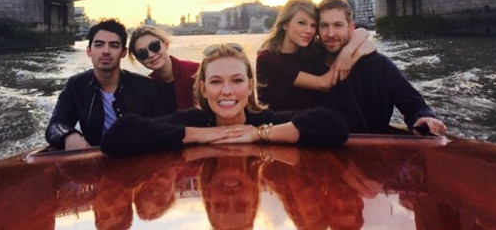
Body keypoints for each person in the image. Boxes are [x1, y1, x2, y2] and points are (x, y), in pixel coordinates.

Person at [100, 43, 349, 156]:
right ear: (203, 88)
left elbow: (333, 125)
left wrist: (258, 134)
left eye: (237, 81)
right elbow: (116, 137)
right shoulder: (190, 120)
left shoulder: (264, 120)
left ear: (250, 87)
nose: (226, 91)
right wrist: (199, 135)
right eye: (216, 82)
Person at [317, 0, 447, 135]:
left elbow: (412, 103)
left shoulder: (378, 65)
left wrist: (423, 117)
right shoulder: (310, 65)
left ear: (351, 28)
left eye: (338, 25)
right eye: (324, 26)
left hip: (372, 145)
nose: (330, 34)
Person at [45, 18, 171, 150]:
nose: (106, 51)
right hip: (94, 158)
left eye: (114, 45)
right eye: (99, 45)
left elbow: (165, 129)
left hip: (138, 157)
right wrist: (69, 136)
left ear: (123, 53)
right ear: (89, 51)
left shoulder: (147, 87)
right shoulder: (76, 86)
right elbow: (54, 126)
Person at [256, 0, 374, 111]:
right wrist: (350, 58)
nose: (309, 30)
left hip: (310, 122)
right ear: (286, 24)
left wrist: (347, 52)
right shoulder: (267, 59)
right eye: (301, 23)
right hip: (277, 123)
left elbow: (363, 34)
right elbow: (324, 84)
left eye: (313, 25)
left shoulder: (310, 52)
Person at [128, 25, 199, 111]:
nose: (151, 55)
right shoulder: (147, 87)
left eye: (154, 46)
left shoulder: (195, 72)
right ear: (138, 60)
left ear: (166, 44)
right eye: (142, 53)